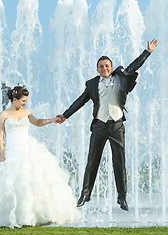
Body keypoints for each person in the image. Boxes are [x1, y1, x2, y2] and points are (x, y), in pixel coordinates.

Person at [57, 39, 158, 211]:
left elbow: (134, 66)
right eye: (101, 66)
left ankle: (122, 197)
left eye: (107, 66)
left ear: (111, 68)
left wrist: (147, 52)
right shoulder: (91, 84)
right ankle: (85, 195)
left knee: (119, 162)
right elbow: (81, 101)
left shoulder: (120, 77)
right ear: (97, 69)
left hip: (117, 125)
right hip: (99, 126)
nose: (104, 69)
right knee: (92, 161)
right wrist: (65, 115)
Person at [0, 86, 80, 228]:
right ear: (15, 100)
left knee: (32, 183)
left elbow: (37, 122)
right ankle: (10, 216)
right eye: (23, 101)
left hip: (28, 149)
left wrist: (52, 120)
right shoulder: (3, 115)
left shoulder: (26, 112)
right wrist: (2, 156)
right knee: (9, 185)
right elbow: (0, 137)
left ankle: (35, 216)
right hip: (11, 152)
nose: (25, 103)